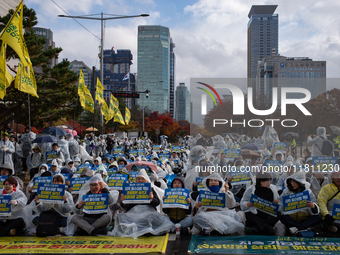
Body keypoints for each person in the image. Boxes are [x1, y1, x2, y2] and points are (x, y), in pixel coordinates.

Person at [111, 169, 173, 238]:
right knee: (120, 217)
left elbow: (157, 203)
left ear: (146, 181)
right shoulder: (130, 189)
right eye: (138, 179)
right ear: (135, 181)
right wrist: (123, 202)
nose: (140, 181)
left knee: (152, 217)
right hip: (133, 213)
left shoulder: (150, 189)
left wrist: (151, 199)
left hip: (148, 211)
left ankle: (145, 229)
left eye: (142, 179)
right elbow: (125, 206)